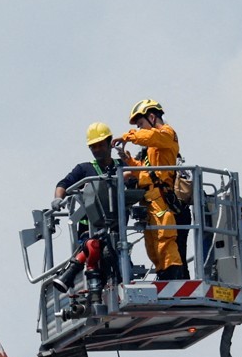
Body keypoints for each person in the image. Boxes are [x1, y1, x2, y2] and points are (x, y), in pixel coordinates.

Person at [50, 122, 135, 293]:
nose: (97, 150)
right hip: (89, 228)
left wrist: (130, 172)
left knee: (115, 255)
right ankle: (97, 284)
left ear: (109, 143)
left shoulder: (122, 166)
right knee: (95, 249)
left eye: (100, 145)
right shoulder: (84, 169)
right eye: (93, 147)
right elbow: (63, 184)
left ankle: (120, 282)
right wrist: (58, 199)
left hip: (116, 228)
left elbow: (138, 183)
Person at [119, 98, 189, 280]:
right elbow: (148, 172)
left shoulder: (166, 134)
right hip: (151, 198)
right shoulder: (153, 147)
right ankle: (163, 274)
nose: (141, 129)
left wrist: (129, 136)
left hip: (162, 197)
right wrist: (130, 162)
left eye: (141, 124)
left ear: (151, 117)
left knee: (165, 239)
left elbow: (151, 137)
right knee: (153, 244)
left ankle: (174, 277)